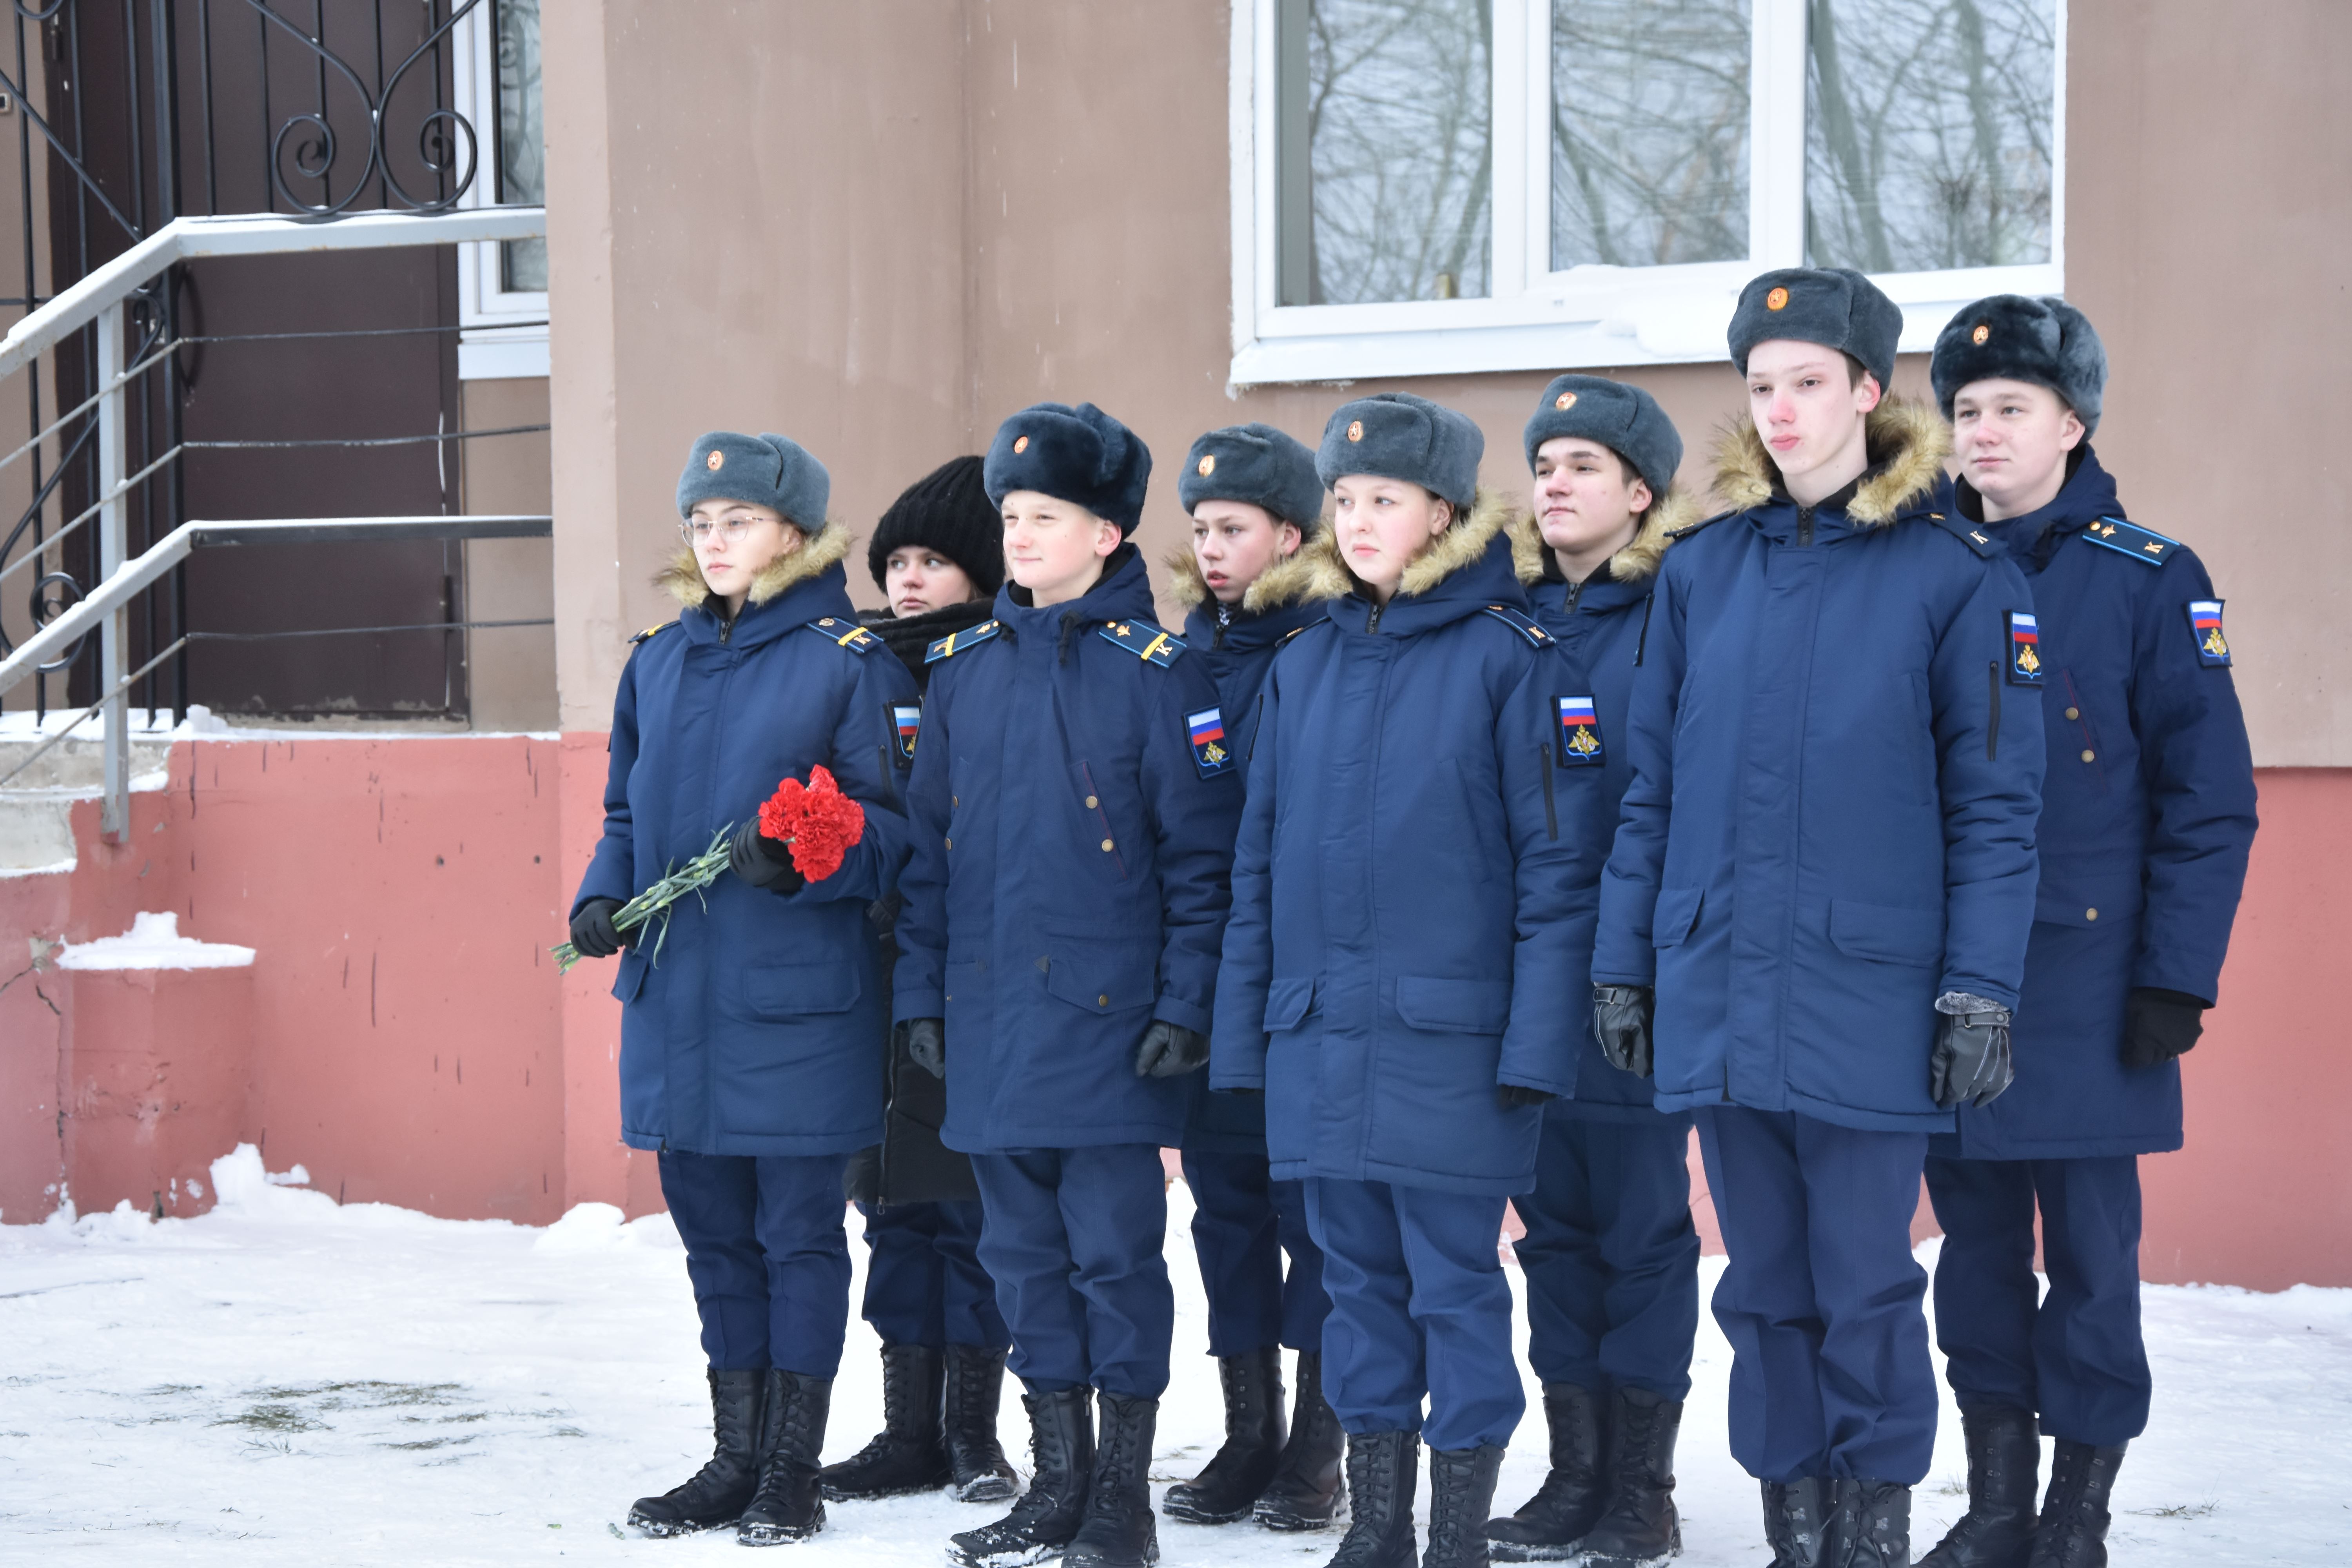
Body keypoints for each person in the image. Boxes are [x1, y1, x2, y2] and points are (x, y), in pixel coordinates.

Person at [1589, 269, 2048, 1568]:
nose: (1781, 410)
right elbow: (1653, 793)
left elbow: (1998, 808)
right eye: (1761, 385)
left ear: (1865, 390)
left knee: (1865, 1286)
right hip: (1720, 988)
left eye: (1808, 383)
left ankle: (1873, 1529)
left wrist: (1981, 987)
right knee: (1763, 1291)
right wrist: (1628, 967)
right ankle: (1798, 1530)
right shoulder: (1703, 573)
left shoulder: (1953, 574)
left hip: (1873, 993)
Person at [1212, 392, 1604, 1568]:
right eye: (1343, 499)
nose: (1360, 518)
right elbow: (1257, 872)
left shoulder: (1516, 660)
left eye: (1384, 499)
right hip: (1321, 1043)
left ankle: (1454, 1537)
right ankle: (1376, 1529)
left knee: (1456, 1295)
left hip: (1456, 1051)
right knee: (1354, 1296)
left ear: (1443, 511)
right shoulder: (1304, 667)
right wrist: (1247, 1046)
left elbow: (1557, 873)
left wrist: (1537, 1052)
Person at [1918, 296, 2257, 1568]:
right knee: (1974, 1256)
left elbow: (2209, 798)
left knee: (2095, 1266)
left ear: (2073, 422)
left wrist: (2178, 976)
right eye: (1965, 410)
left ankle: (2077, 1512)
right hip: (1945, 978)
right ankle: (1997, 1501)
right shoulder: (1920, 566)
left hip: (2091, 985)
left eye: (2013, 407)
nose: (1985, 431)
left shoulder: (2150, 577)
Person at [891, 402, 1244, 1568]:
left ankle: (1123, 1499)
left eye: (1044, 516)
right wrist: (922, 1002)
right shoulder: (964, 673)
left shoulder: (1161, 675)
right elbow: (929, 859)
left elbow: (1203, 867)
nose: (1020, 534)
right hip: (991, 1025)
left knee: (1114, 1261)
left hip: (1109, 1032)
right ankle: (1059, 1483)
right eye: (1011, 514)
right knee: (1021, 1264)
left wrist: (1186, 1006)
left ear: (1106, 534)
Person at [568, 431, 916, 1546]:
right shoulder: (657, 662)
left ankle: (791, 1470)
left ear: (797, 536)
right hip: (679, 1004)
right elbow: (626, 813)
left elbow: (902, 834)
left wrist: (818, 854)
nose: (716, 543)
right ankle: (733, 1456)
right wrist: (599, 897)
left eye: (740, 523)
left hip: (798, 1005)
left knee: (800, 1238)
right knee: (713, 1239)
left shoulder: (848, 661)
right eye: (701, 524)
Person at [1488, 376, 1702, 1568]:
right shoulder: (1507, 620)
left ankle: (1642, 1484)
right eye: (1545, 463)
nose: (1555, 484)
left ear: (1639, 492)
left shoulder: (1676, 615)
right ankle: (1574, 1472)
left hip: (1632, 976)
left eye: (1583, 465)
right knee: (1550, 1230)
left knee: (1639, 1230)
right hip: (1520, 979)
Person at [820, 454, 1019, 1508]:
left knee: (976, 1208)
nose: (906, 579)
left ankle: (973, 1431)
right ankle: (907, 1429)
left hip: (973, 977)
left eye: (933, 560)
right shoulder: (859, 667)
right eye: (895, 559)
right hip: (876, 975)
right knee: (892, 1203)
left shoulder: (999, 667)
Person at [1160, 422, 1345, 1534]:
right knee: (1223, 1212)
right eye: (1200, 528)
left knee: (1312, 1218)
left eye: (1234, 528)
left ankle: (1320, 1444)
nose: (1213, 547)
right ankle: (1249, 1429)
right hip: (1205, 971)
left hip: (1300, 975)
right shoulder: (1183, 659)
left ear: (1289, 532)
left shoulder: (1323, 647)